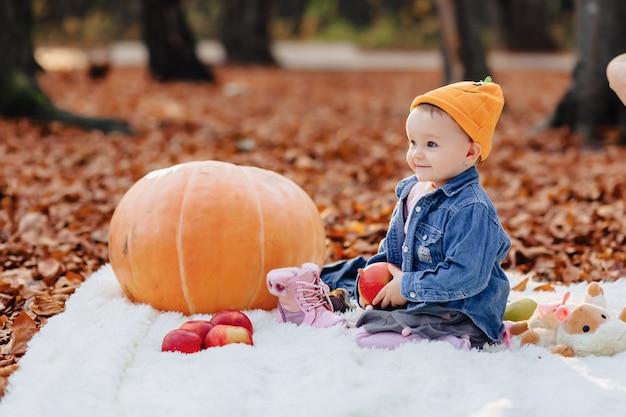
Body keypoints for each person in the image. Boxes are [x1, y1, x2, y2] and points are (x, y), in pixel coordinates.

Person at [267, 78, 511, 351]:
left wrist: (405, 286)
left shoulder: (471, 209)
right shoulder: (412, 191)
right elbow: (395, 249)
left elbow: (467, 276)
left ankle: (455, 341)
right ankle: (333, 296)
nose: (417, 154)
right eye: (413, 142)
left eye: (431, 145)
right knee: (362, 298)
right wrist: (375, 280)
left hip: (461, 313)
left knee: (369, 335)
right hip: (418, 298)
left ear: (469, 152)